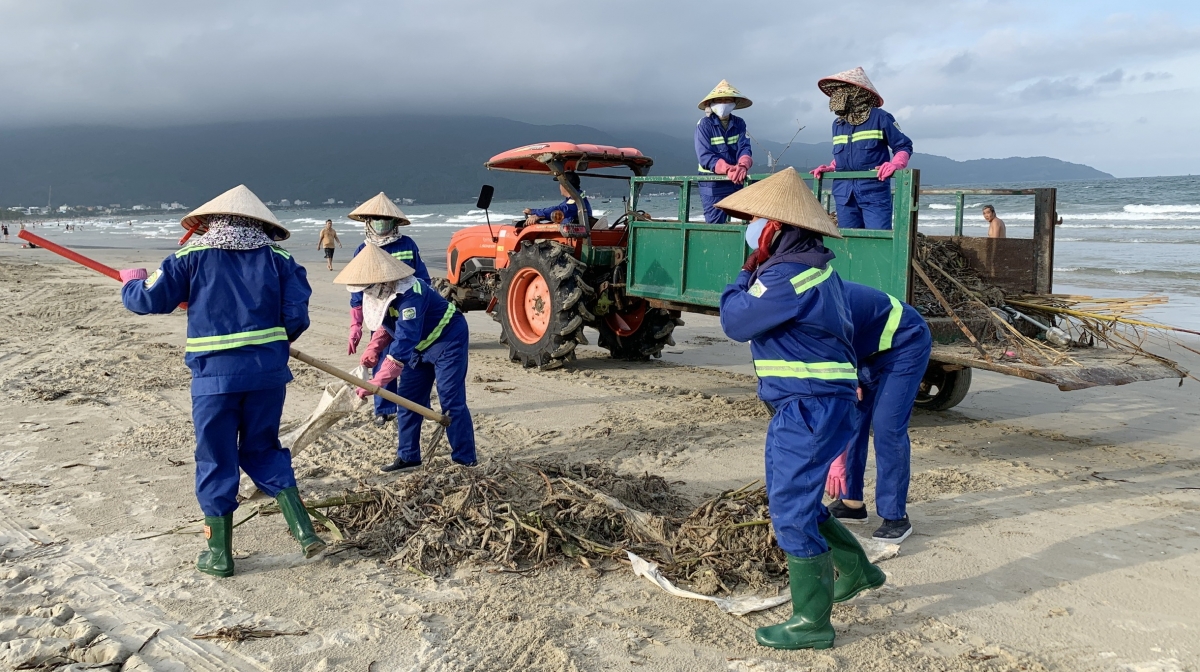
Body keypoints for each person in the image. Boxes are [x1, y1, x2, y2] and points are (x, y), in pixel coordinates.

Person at [716, 168, 885, 650]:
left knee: (790, 510)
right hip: (821, 405)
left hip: (807, 409)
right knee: (804, 499)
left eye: (754, 221)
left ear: (775, 228)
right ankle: (858, 571)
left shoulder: (787, 275)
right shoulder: (818, 268)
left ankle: (812, 623)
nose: (748, 229)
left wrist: (741, 276)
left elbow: (735, 320)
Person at [118, 184, 325, 578]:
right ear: (258, 223)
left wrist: (131, 283)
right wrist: (271, 343)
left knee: (216, 458)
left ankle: (220, 556)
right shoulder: (280, 259)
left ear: (213, 222)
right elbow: (296, 317)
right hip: (267, 374)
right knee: (263, 448)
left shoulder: (191, 256)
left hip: (214, 379)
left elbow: (149, 299)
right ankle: (304, 531)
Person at [334, 245, 477, 473]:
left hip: (447, 339)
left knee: (451, 401)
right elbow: (388, 323)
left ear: (383, 280)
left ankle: (464, 459)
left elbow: (403, 341)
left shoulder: (411, 294)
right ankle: (408, 456)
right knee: (408, 400)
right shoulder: (379, 292)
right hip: (418, 345)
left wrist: (378, 381)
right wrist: (374, 347)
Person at [824, 282, 932, 543]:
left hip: (906, 342)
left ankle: (895, 516)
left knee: (887, 425)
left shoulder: (824, 309)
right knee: (853, 418)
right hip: (866, 349)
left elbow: (834, 368)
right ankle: (852, 503)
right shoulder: (801, 313)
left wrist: (836, 460)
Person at [345, 192, 430, 426]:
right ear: (367, 222)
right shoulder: (362, 250)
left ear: (394, 222)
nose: (381, 223)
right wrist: (356, 324)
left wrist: (421, 301)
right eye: (376, 219)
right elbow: (357, 290)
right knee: (382, 357)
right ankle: (384, 407)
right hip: (380, 312)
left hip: (407, 308)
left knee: (410, 355)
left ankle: (417, 405)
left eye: (386, 219)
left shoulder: (407, 245)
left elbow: (422, 277)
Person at [811, 67, 913, 230]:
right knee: (850, 241)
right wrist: (831, 167)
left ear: (857, 92)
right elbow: (847, 153)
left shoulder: (881, 117)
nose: (838, 95)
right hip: (844, 194)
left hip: (873, 192)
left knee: (878, 240)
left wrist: (895, 164)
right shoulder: (837, 124)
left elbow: (903, 145)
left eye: (843, 90)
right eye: (836, 91)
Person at [695, 79, 753, 223]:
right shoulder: (704, 125)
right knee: (716, 224)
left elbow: (744, 147)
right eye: (720, 100)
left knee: (752, 217)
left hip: (737, 179)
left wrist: (743, 165)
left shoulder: (739, 123)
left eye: (727, 100)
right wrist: (727, 169)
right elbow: (705, 156)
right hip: (712, 182)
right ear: (711, 103)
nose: (724, 103)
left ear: (734, 103)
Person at [523, 172, 591, 226]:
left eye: (560, 183)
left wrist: (536, 213)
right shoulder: (578, 197)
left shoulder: (577, 200)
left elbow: (560, 210)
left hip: (575, 235)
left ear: (565, 185)